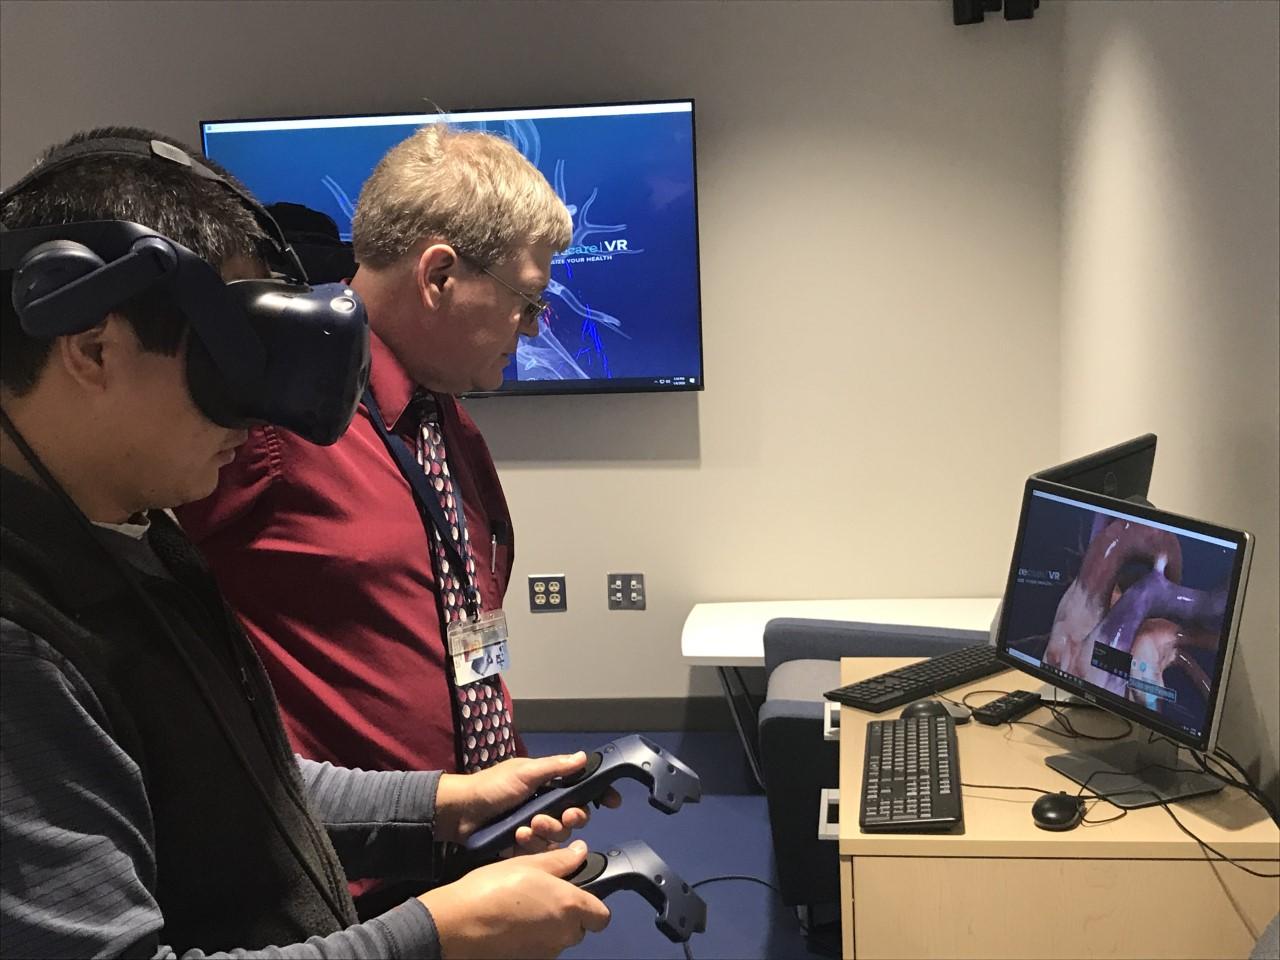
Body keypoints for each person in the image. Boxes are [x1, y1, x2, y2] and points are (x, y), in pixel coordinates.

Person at [0, 128, 610, 960]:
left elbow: (244, 777)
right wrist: (438, 934)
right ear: (93, 347)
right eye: (228, 362)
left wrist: (442, 802)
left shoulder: (139, 540)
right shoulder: (23, 644)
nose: (253, 416)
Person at [177, 124, 569, 787]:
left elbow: (457, 626)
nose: (533, 327)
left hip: (471, 839)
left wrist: (507, 785)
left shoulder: (441, 414)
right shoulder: (270, 415)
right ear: (439, 275)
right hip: (349, 870)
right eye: (526, 301)